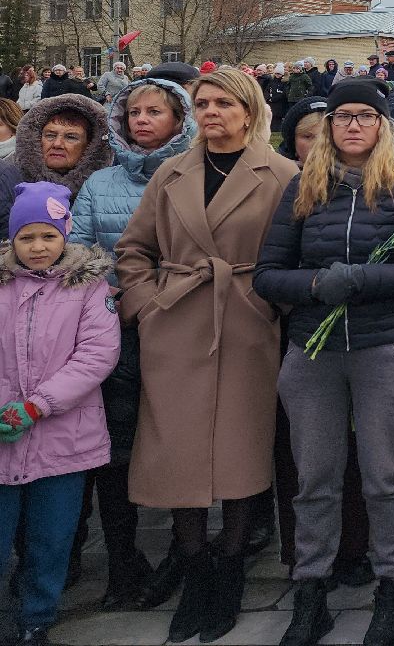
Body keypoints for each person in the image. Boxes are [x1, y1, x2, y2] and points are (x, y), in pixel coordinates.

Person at [255, 79, 394, 646]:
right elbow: (266, 272)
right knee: (314, 476)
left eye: (365, 115)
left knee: (386, 476)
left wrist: (360, 279)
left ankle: (391, 590)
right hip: (314, 348)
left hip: (384, 345)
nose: (353, 125)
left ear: (382, 124)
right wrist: (316, 284)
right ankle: (311, 590)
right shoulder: (304, 185)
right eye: (342, 117)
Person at [114, 67, 299, 642]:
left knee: (241, 447)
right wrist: (146, 305)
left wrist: (271, 307)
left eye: (223, 102)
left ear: (248, 111)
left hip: (247, 322)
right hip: (176, 323)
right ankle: (194, 570)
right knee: (177, 450)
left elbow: (297, 250)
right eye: (203, 102)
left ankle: (229, 572)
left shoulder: (282, 173)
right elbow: (133, 249)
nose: (211, 111)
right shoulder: (172, 171)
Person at [69, 77, 196, 609]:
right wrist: (111, 300)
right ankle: (123, 562)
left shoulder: (193, 176)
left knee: (178, 444)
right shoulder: (101, 183)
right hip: (116, 330)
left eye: (155, 112)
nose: (141, 120)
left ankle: (183, 552)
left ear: (178, 119)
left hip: (182, 327)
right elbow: (77, 250)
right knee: (116, 451)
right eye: (133, 112)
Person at [0, 183, 120, 646]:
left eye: (48, 237)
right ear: (13, 239)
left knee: (51, 538)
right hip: (5, 434)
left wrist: (38, 404)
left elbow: (96, 354)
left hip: (62, 438)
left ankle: (37, 615)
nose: (37, 247)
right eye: (27, 237)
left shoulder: (88, 287)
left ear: (64, 237)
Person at [0, 93, 113, 231]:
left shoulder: (107, 189)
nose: (57, 144)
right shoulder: (8, 180)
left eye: (71, 137)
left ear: (90, 146)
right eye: (50, 135)